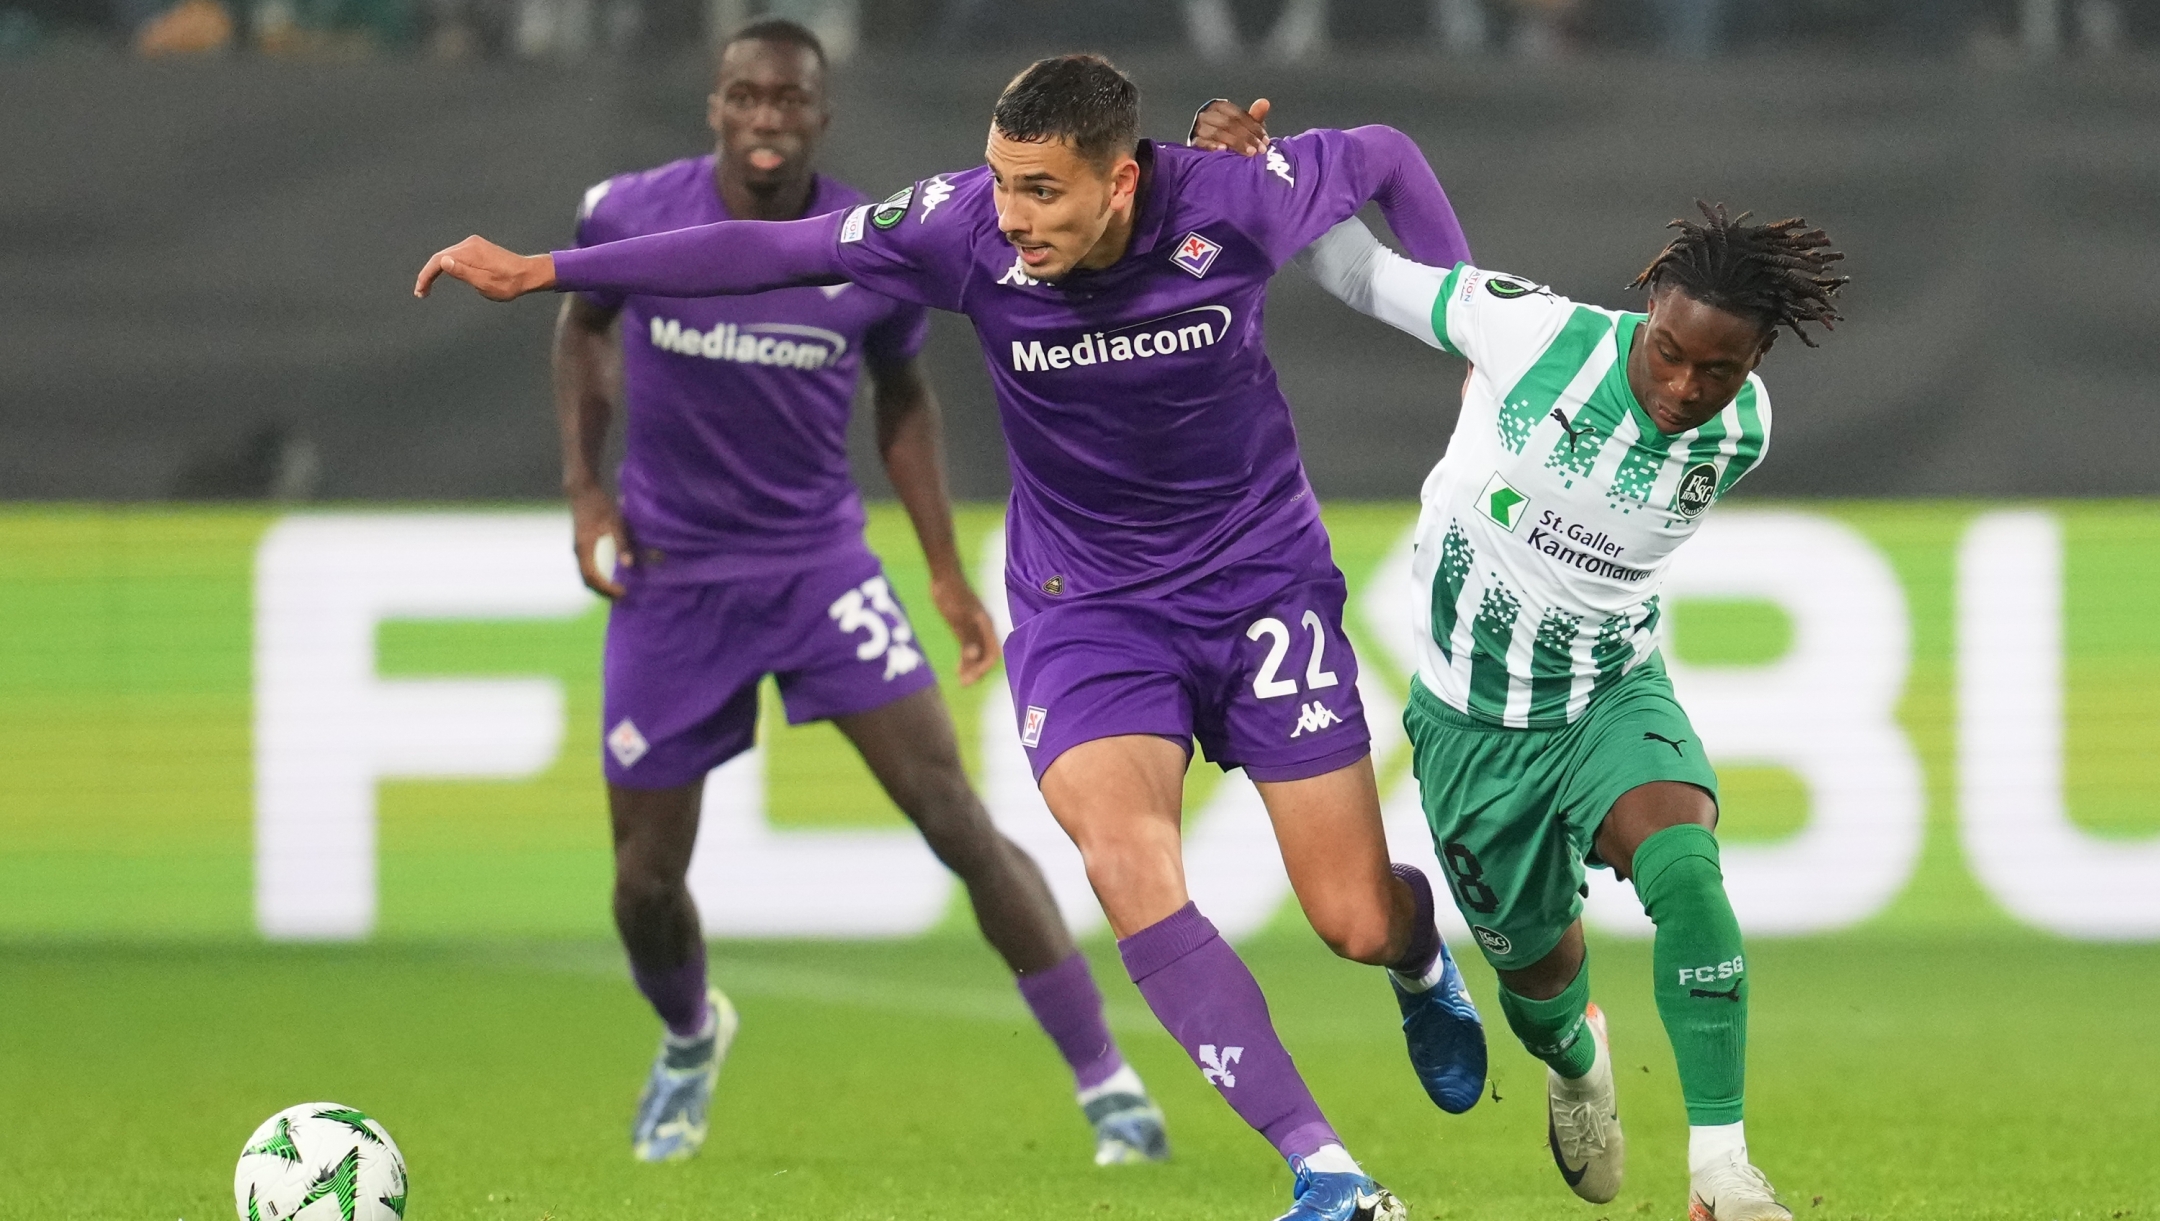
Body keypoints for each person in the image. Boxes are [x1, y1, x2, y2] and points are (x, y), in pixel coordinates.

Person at [418, 52, 1488, 1221]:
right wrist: (548, 269)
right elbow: (768, 252)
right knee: (1126, 862)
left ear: (1121, 182)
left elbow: (1385, 152)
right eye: (1000, 180)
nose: (1012, 217)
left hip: (1260, 590)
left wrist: (1479, 340)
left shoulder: (1236, 198)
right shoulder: (957, 227)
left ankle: (1421, 958)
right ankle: (1324, 1171)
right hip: (1089, 609)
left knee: (1351, 919)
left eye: (1043, 191)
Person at [550, 21, 1166, 1167]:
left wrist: (938, 564)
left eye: (790, 100)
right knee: (642, 884)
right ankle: (690, 1037)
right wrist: (587, 491)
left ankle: (1108, 1082)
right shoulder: (630, 215)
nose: (768, 117)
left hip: (819, 571)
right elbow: (582, 325)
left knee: (956, 819)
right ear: (717, 108)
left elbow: (905, 403)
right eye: (747, 96)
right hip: (672, 579)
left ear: (821, 116)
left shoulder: (864, 248)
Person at [1287, 179, 1845, 1218]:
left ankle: (1722, 1166)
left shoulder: (1743, 432)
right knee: (1542, 991)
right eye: (1668, 352)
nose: (1683, 387)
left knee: (1684, 865)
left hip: (1608, 693)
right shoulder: (1531, 332)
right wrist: (1268, 172)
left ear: (1755, 367)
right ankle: (1577, 1061)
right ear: (1647, 310)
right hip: (1472, 727)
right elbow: (1362, 272)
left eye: (1717, 371)